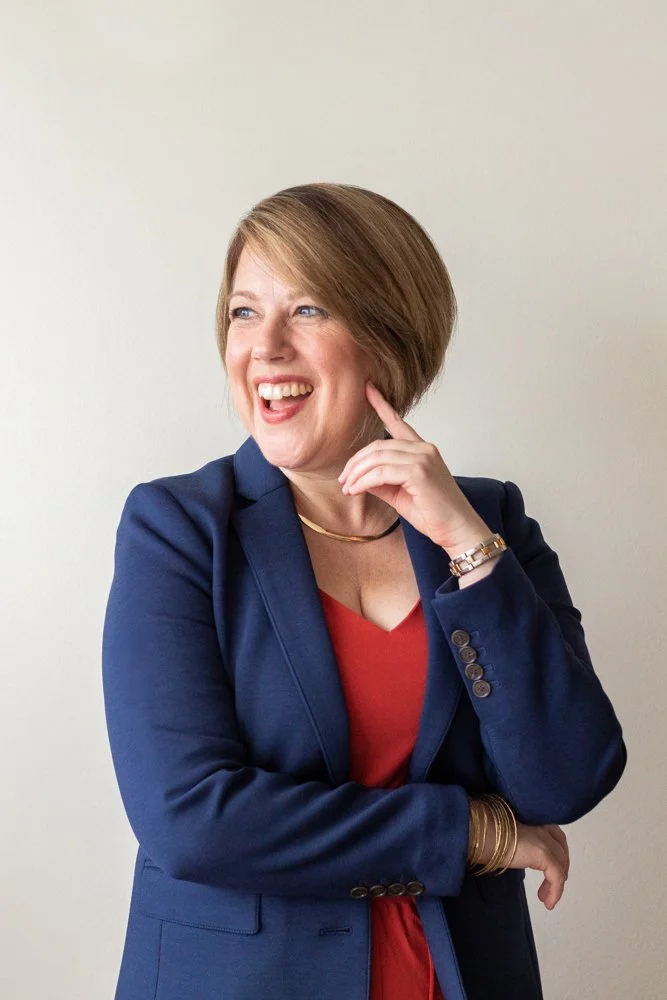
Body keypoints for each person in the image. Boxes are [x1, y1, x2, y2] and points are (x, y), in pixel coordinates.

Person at [102, 182, 626, 1000]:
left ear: (387, 338)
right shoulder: (177, 529)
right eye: (244, 313)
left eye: (307, 310)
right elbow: (192, 820)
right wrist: (471, 832)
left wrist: (467, 549)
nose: (265, 347)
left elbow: (565, 779)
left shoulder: (488, 521)